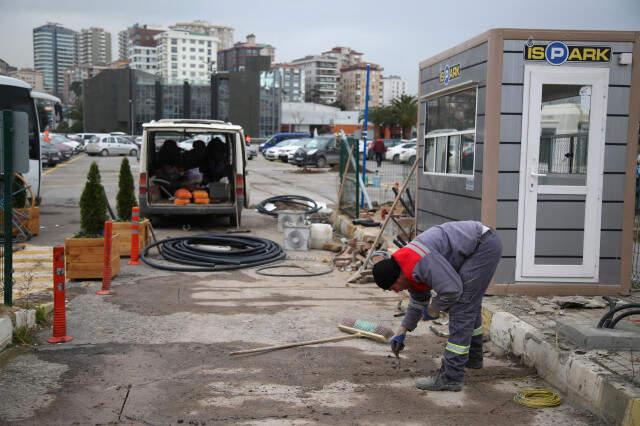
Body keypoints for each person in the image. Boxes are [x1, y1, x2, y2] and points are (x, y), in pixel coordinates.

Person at [372, 220, 502, 392]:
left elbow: (452, 290)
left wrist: (435, 308)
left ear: (397, 277)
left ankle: (451, 377)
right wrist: (403, 330)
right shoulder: (406, 267)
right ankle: (474, 358)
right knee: (470, 303)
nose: (396, 292)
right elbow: (418, 301)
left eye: (392, 288)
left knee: (461, 306)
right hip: (477, 242)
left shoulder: (420, 263)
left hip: (482, 245)